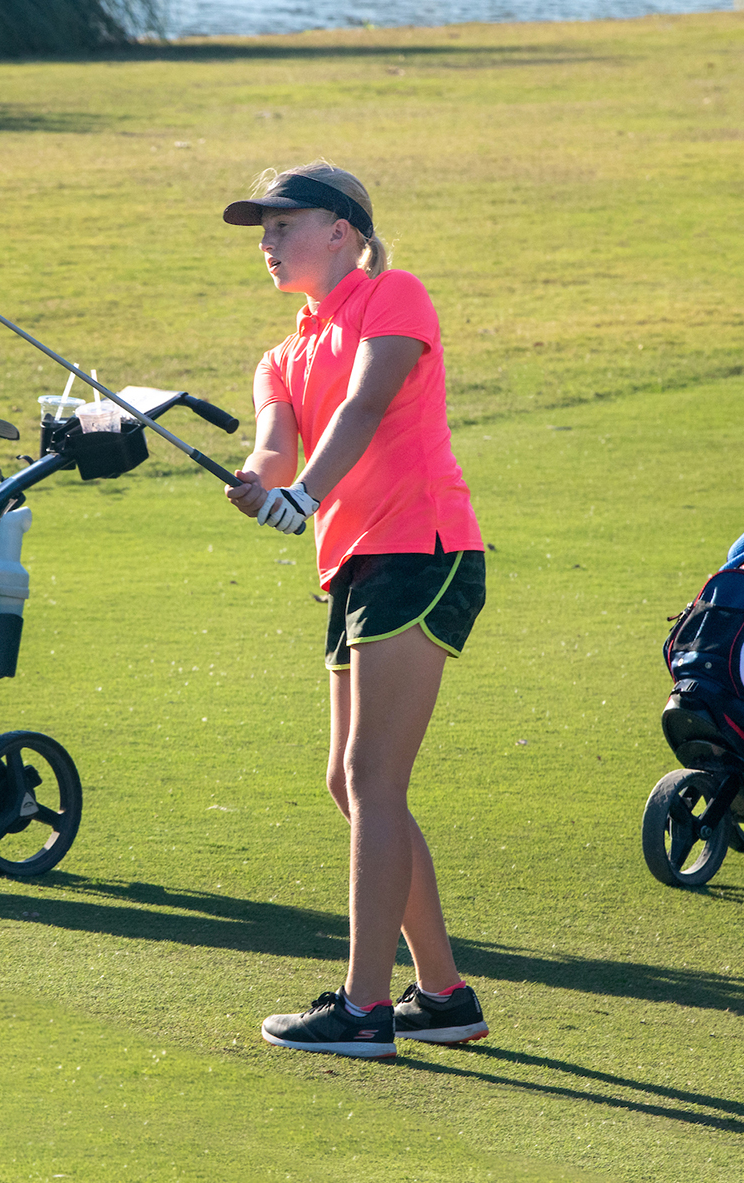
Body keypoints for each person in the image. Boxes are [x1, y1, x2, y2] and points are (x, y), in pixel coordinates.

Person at [221, 160, 490, 1059]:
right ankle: (443, 996)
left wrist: (304, 493)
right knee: (350, 783)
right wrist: (260, 485)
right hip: (355, 567)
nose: (267, 241)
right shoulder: (280, 356)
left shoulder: (392, 295)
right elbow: (274, 446)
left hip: (424, 547)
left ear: (340, 230)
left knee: (373, 777)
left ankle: (365, 1007)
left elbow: (368, 404)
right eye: (262, 229)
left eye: (283, 224)